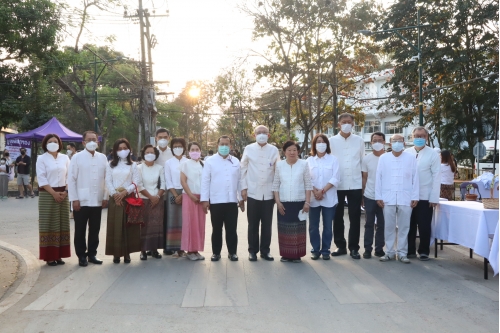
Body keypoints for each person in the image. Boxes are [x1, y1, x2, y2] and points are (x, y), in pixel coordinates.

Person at [376, 134, 419, 263]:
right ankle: (389, 252)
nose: (397, 143)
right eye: (394, 141)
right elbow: (379, 177)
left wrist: (415, 196)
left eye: (399, 141)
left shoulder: (411, 158)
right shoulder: (383, 158)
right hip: (387, 197)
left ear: (404, 143)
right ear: (390, 144)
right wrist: (378, 196)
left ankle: (402, 253)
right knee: (388, 226)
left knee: (404, 227)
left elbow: (415, 178)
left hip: (406, 197)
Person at [200, 135, 244, 262]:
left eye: (227, 144)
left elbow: (240, 181)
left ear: (230, 146)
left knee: (232, 228)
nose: (224, 146)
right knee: (217, 228)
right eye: (222, 144)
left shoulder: (236, 161)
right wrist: (205, 200)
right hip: (216, 201)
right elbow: (205, 181)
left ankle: (232, 252)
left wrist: (241, 198)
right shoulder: (210, 161)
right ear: (217, 146)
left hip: (231, 201)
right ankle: (216, 253)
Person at [68, 131, 108, 267]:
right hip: (81, 200)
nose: (92, 142)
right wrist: (74, 199)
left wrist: (105, 196)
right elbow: (71, 179)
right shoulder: (77, 157)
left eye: (94, 139)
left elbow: (106, 179)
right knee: (80, 230)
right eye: (89, 139)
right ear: (83, 142)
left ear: (98, 142)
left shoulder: (103, 158)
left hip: (97, 200)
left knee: (95, 229)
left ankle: (92, 254)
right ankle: (81, 255)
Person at [240, 125, 280, 262]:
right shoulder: (248, 149)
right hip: (252, 192)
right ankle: (252, 251)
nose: (261, 134)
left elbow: (277, 171)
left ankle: (265, 251)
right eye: (259, 132)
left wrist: (276, 192)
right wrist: (243, 188)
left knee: (267, 224)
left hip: (269, 193)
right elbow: (243, 169)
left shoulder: (274, 150)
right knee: (252, 224)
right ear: (254, 135)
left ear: (268, 135)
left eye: (264, 133)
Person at [329, 113, 365, 259]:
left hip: (355, 183)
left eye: (349, 122)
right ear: (338, 124)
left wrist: (363, 187)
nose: (346, 124)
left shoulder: (359, 141)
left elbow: (362, 163)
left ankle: (354, 248)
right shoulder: (331, 141)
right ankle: (340, 246)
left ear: (353, 124)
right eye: (344, 122)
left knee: (355, 217)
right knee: (337, 217)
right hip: (336, 184)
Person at [273, 140, 313, 263]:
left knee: (298, 229)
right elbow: (275, 185)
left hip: (299, 202)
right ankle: (285, 254)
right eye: (289, 150)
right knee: (284, 229)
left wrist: (307, 202)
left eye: (294, 150)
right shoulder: (279, 165)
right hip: (284, 203)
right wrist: (278, 202)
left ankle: (297, 255)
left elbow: (308, 184)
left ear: (298, 152)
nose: (292, 152)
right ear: (284, 152)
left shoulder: (304, 164)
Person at [404, 127, 440, 261]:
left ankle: (424, 251)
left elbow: (437, 176)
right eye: (416, 136)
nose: (419, 138)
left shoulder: (432, 154)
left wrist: (434, 197)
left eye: (422, 136)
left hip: (425, 195)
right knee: (409, 224)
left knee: (424, 225)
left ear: (427, 137)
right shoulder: (406, 152)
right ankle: (410, 250)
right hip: (408, 195)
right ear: (412, 137)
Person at [36, 134, 71, 266]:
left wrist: (65, 191)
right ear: (45, 144)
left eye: (55, 141)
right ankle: (50, 256)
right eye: (50, 141)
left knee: (62, 223)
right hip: (47, 194)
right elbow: (42, 178)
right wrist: (54, 194)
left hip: (64, 193)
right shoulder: (41, 158)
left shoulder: (65, 158)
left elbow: (69, 175)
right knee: (49, 223)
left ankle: (60, 255)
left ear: (59, 143)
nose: (52, 143)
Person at [105, 138, 141, 264]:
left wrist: (125, 192)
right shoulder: (110, 164)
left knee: (128, 226)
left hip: (129, 198)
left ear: (129, 149)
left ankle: (127, 254)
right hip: (115, 199)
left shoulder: (133, 165)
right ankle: (116, 254)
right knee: (115, 226)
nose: (122, 151)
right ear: (115, 151)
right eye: (119, 149)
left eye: (125, 148)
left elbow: (136, 181)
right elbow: (108, 181)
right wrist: (115, 195)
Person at [306, 134, 339, 260]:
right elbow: (307, 178)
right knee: (313, 226)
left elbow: (336, 178)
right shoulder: (309, 161)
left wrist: (323, 191)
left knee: (327, 226)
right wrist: (315, 191)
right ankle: (315, 249)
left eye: (323, 141)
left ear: (327, 144)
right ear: (314, 144)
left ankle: (325, 250)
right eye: (318, 142)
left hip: (329, 198)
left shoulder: (333, 160)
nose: (321, 144)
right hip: (313, 198)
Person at [137, 144, 166, 261]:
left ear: (156, 155)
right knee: (143, 225)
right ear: (143, 155)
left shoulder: (160, 168)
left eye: (152, 153)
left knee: (156, 226)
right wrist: (150, 197)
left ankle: (154, 249)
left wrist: (157, 197)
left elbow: (163, 183)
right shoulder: (138, 168)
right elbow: (139, 185)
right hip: (143, 199)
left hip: (158, 200)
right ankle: (143, 251)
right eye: (147, 152)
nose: (150, 154)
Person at [361, 132, 386, 259]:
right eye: (374, 140)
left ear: (384, 142)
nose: (377, 143)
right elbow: (364, 178)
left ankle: (379, 248)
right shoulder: (366, 159)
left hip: (385, 197)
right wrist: (362, 195)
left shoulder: (388, 157)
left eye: (380, 140)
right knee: (369, 223)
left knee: (382, 224)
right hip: (370, 195)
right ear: (371, 143)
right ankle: (367, 249)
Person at [180, 142, 206, 261]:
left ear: (200, 151)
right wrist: (191, 195)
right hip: (189, 197)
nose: (195, 151)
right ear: (189, 152)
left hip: (201, 198)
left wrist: (205, 197)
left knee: (199, 224)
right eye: (192, 149)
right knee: (190, 223)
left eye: (197, 149)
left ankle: (196, 250)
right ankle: (189, 250)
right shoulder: (185, 164)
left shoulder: (204, 164)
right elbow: (183, 181)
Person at [164, 138, 188, 258]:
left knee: (184, 221)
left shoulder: (188, 162)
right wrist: (176, 195)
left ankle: (183, 248)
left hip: (187, 194)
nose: (177, 148)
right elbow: (168, 181)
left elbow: (190, 180)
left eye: (180, 146)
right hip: (172, 193)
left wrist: (184, 194)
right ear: (172, 148)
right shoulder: (168, 163)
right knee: (173, 220)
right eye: (175, 146)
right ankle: (173, 247)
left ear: (184, 147)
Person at [154, 128, 174, 254]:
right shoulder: (151, 151)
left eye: (165, 137)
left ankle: (168, 246)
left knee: (168, 218)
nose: (163, 139)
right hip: (154, 191)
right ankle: (152, 247)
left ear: (169, 138)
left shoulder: (173, 152)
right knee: (154, 219)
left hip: (170, 190)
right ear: (156, 138)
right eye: (160, 137)